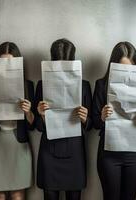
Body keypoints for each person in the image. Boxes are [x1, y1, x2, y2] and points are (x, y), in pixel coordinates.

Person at [35, 38, 93, 200]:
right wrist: (40, 114)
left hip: (75, 152)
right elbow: (37, 126)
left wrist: (84, 118)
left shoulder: (85, 86)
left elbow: (91, 125)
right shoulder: (41, 85)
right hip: (49, 151)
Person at [92, 41, 136, 200]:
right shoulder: (101, 84)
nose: (126, 72)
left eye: (130, 68)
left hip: (134, 153)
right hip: (109, 153)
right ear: (113, 66)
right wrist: (102, 117)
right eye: (122, 68)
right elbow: (94, 122)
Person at [0, 42, 34, 200]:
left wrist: (28, 111)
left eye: (9, 62)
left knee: (18, 195)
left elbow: (33, 125)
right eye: (1, 62)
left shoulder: (27, 86)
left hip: (18, 145)